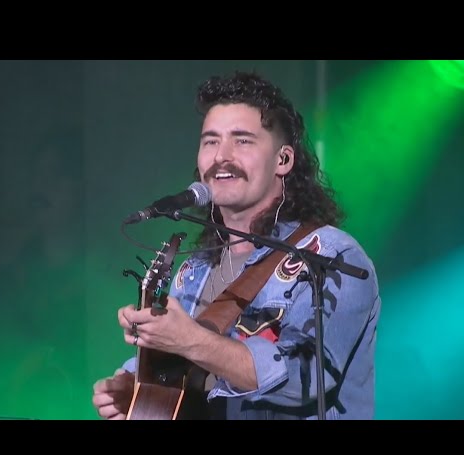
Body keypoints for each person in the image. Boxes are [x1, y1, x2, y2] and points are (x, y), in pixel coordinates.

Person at [92, 70, 381, 420]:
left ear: (283, 160)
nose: (221, 156)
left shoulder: (331, 256)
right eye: (210, 141)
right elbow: (180, 374)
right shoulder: (193, 270)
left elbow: (307, 380)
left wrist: (191, 340)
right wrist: (134, 385)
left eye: (242, 140)